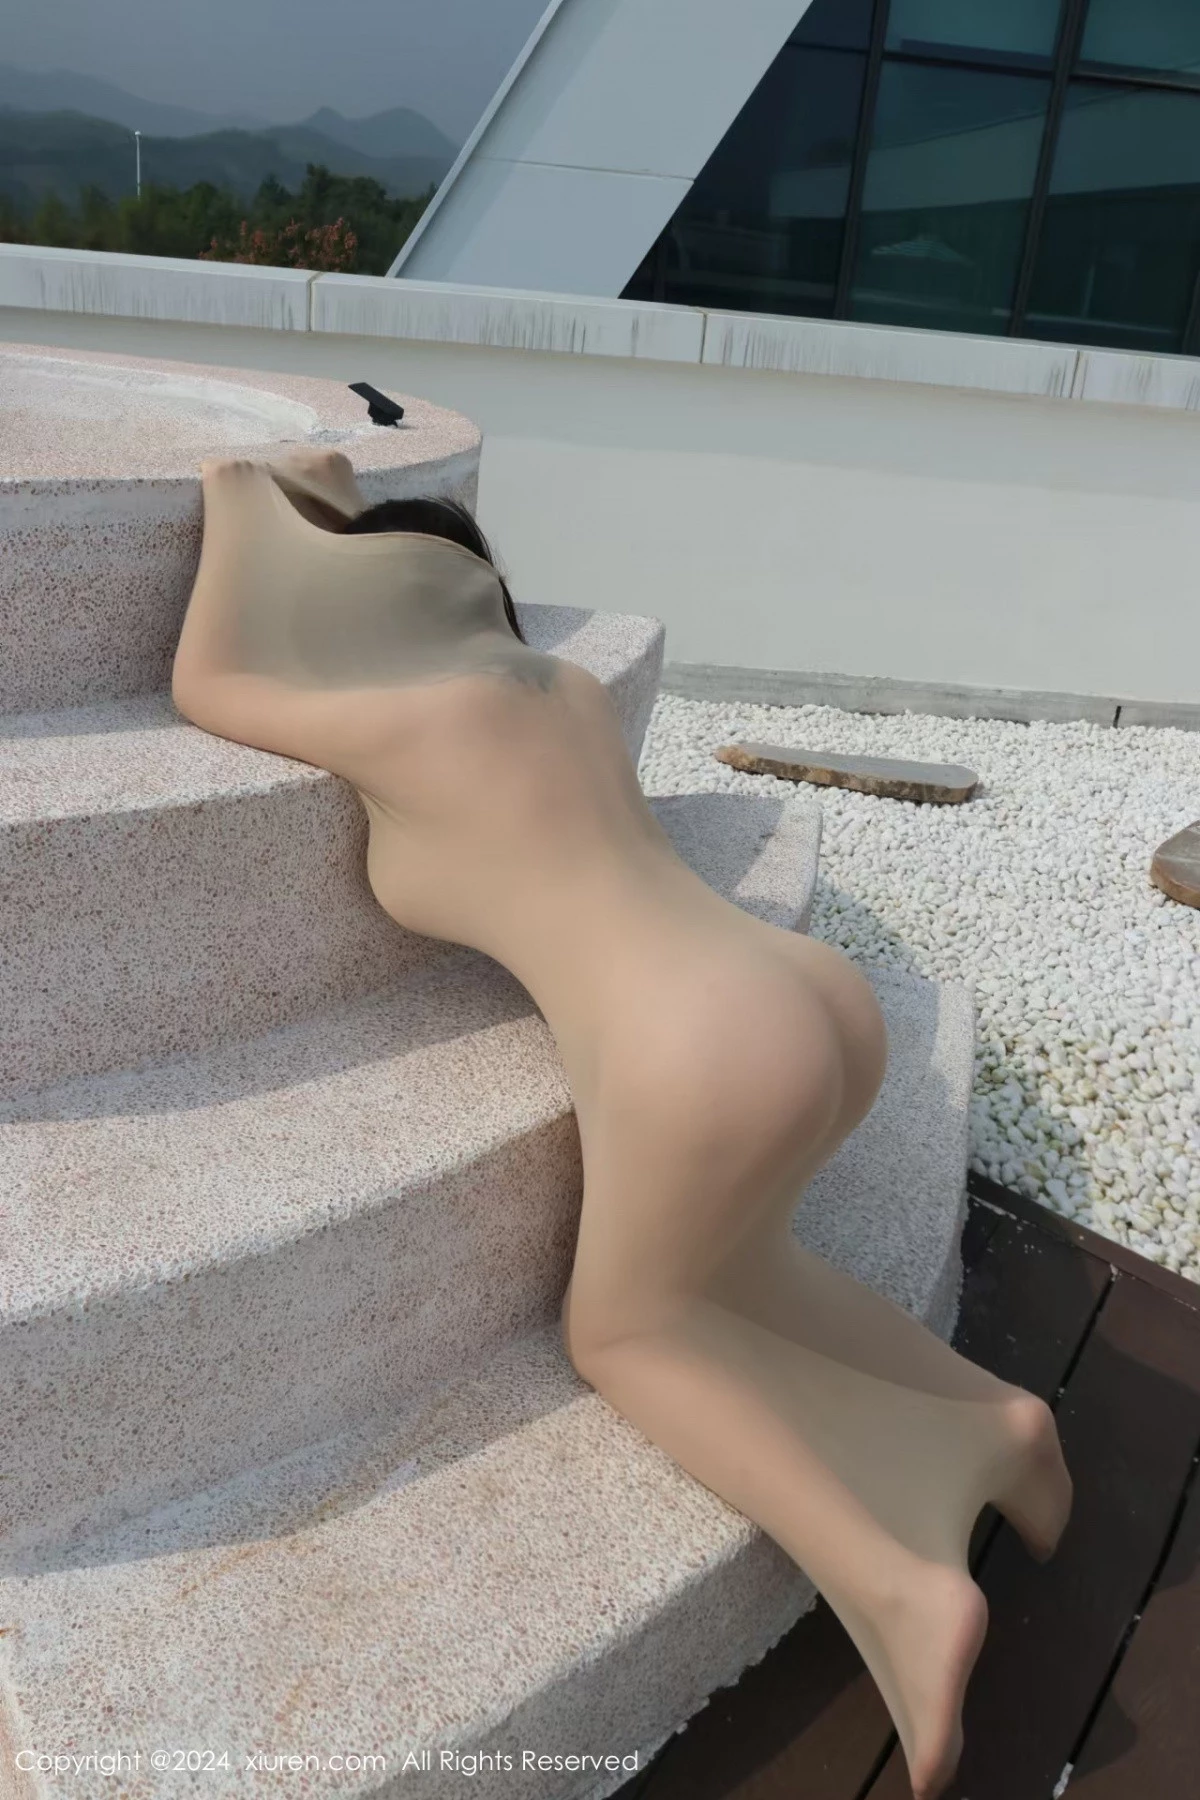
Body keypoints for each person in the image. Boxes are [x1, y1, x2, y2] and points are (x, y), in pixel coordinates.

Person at [171, 445, 1072, 1800]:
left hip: (697, 1042)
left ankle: (902, 1590)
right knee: (750, 1278)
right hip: (805, 997)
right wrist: (355, 503)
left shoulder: (404, 719)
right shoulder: (565, 690)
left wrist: (246, 488)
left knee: (627, 1333)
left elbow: (209, 676)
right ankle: (993, 1423)